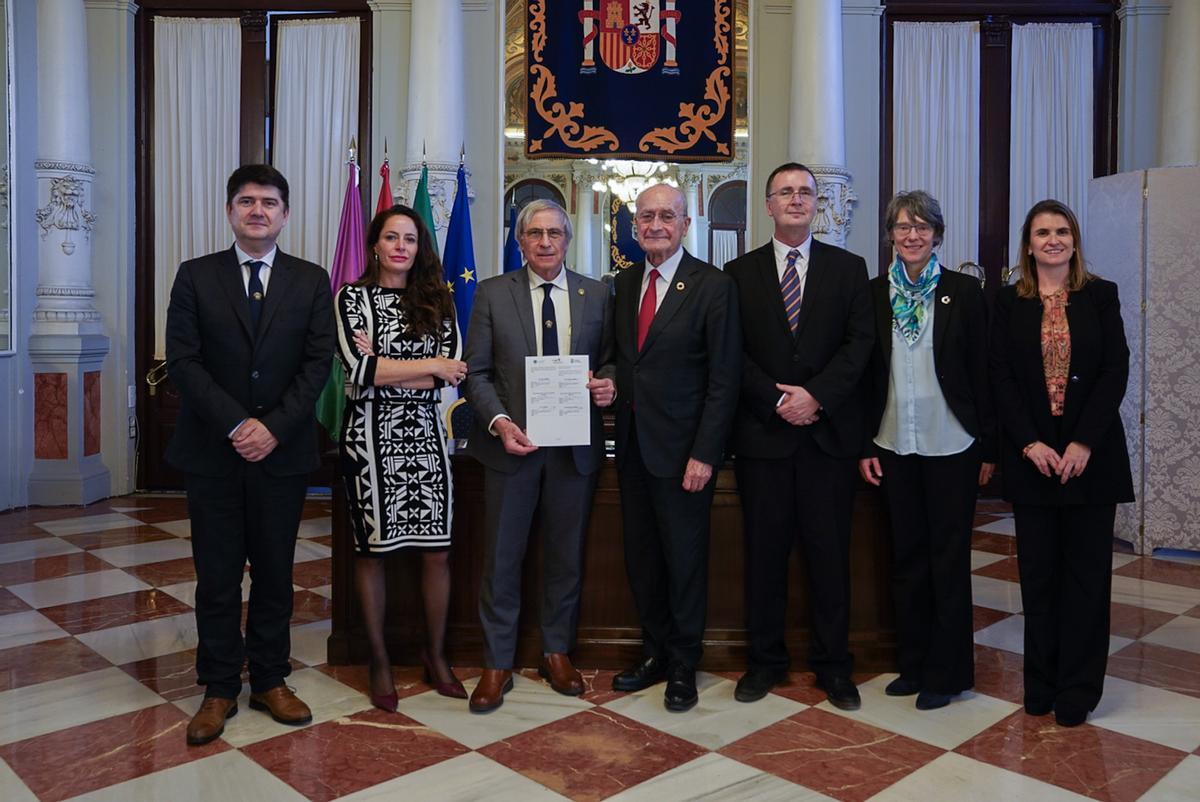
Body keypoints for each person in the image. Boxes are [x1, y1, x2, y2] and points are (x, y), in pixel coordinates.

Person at [165, 164, 334, 745]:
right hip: (213, 452)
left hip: (281, 455)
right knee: (215, 577)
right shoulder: (194, 277)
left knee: (275, 574)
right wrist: (240, 423)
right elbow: (183, 363)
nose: (257, 210)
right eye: (245, 201)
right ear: (230, 211)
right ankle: (217, 687)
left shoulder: (312, 281)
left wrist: (273, 428)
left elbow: (318, 366)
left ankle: (269, 678)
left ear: (285, 213)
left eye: (268, 202)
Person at [724, 163, 873, 711]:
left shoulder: (849, 268)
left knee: (829, 557)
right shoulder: (737, 274)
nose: (795, 199)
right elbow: (729, 353)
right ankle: (765, 663)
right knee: (764, 558)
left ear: (817, 204)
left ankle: (835, 667)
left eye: (804, 192)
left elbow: (860, 347)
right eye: (784, 192)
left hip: (826, 440)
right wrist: (776, 399)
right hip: (764, 439)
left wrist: (817, 397)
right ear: (767, 205)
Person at [463, 199, 616, 713]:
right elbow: (477, 372)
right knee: (502, 560)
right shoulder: (491, 294)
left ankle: (556, 652)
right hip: (511, 450)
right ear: (521, 240)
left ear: (567, 239)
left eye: (554, 232)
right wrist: (500, 422)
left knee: (564, 558)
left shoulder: (597, 294)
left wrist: (608, 384)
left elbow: (613, 360)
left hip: (573, 452)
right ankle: (497, 662)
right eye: (535, 233)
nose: (546, 242)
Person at [991, 199, 1133, 727]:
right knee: (1039, 577)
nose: (1053, 239)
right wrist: (1029, 443)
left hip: (1089, 460)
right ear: (1027, 244)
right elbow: (999, 375)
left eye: (1062, 231)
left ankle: (1078, 689)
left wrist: (1082, 443)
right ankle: (1041, 682)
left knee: (1086, 580)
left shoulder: (1100, 295)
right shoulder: (1008, 302)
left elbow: (1114, 370)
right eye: (1042, 232)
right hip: (1034, 461)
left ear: (1074, 240)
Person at [858, 190, 996, 711]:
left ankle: (950, 672)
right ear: (890, 234)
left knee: (948, 559)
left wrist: (989, 446)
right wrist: (862, 442)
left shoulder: (964, 292)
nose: (911, 235)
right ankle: (913, 664)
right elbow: (866, 376)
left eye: (921, 226)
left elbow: (984, 372)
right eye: (901, 226)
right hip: (894, 442)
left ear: (938, 234)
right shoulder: (874, 295)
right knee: (907, 559)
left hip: (953, 442)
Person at [609, 183, 741, 712]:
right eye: (646, 216)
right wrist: (607, 379)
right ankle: (655, 652)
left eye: (667, 216)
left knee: (684, 561)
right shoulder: (623, 285)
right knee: (642, 558)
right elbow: (622, 360)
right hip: (633, 449)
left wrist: (705, 453)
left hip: (685, 454)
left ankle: (685, 662)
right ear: (634, 226)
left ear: (686, 225)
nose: (655, 224)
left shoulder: (712, 286)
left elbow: (723, 379)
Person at [336, 204, 468, 711]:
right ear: (374, 244)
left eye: (410, 239)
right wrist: (426, 363)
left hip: (426, 439)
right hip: (368, 441)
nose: (400, 247)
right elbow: (358, 370)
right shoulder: (352, 297)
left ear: (419, 248)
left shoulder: (439, 300)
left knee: (436, 551)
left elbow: (450, 374)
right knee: (374, 553)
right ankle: (380, 660)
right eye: (391, 237)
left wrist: (398, 367)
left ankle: (435, 657)